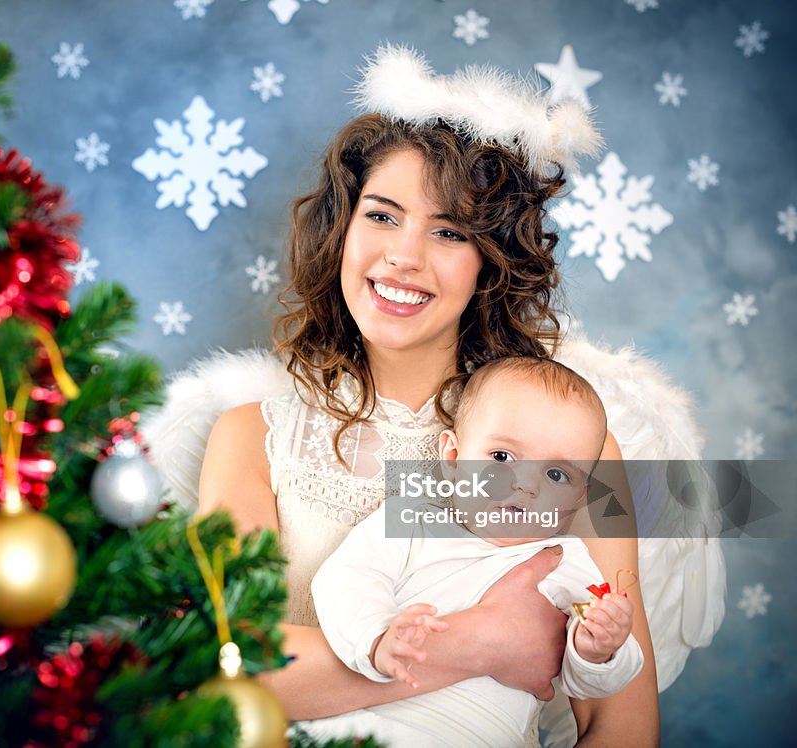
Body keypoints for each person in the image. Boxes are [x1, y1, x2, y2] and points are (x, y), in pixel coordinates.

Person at [197, 46, 659, 745]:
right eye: (382, 216)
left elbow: (622, 722)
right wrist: (482, 643)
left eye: (448, 231)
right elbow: (225, 669)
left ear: (490, 262)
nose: (404, 256)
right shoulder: (250, 439)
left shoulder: (575, 452)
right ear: (343, 230)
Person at [306, 356, 644, 746]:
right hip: (369, 723)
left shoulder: (566, 564)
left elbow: (591, 684)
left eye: (556, 475)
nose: (526, 485)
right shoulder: (410, 520)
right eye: (502, 457)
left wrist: (596, 650)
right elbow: (346, 578)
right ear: (452, 458)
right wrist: (375, 638)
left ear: (576, 499)